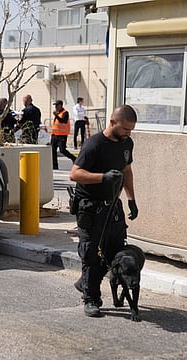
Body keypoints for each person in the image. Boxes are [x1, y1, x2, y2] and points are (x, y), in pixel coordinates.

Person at [69, 104, 139, 317]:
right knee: (91, 253)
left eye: (131, 130)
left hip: (112, 207)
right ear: (112, 123)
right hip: (90, 207)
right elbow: (74, 173)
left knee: (113, 252)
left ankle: (85, 282)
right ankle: (91, 299)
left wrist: (131, 199)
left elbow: (127, 169)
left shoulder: (127, 143)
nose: (128, 133)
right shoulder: (94, 144)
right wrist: (102, 177)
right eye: (125, 129)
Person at [50, 100, 77, 169]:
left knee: (62, 150)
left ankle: (74, 158)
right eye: (55, 105)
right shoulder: (58, 113)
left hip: (62, 135)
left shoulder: (65, 113)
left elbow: (63, 121)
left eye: (57, 105)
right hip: (54, 135)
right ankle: (55, 166)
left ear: (61, 105)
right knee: (53, 151)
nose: (55, 107)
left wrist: (57, 116)